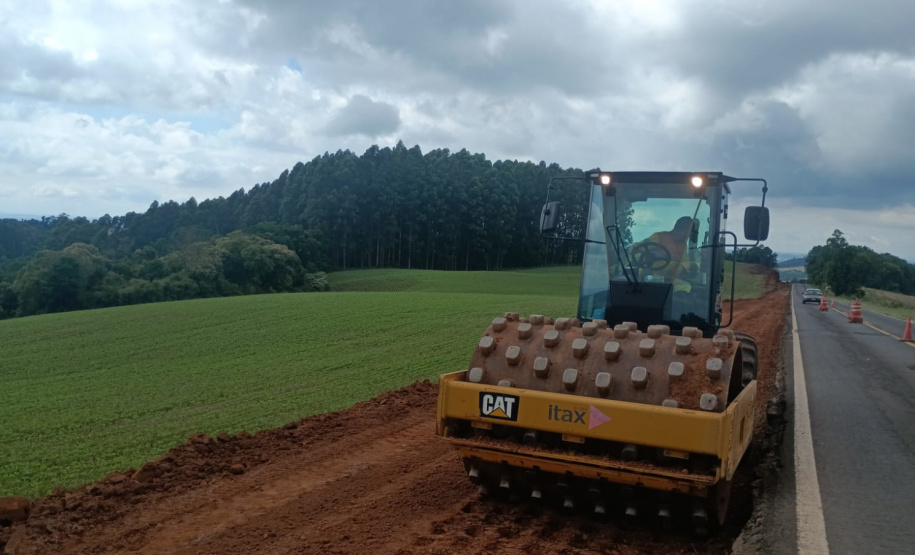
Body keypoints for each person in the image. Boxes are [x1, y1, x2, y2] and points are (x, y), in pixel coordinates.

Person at [632, 216, 697, 291]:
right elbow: (641, 245)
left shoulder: (683, 245)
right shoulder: (659, 237)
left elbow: (685, 261)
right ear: (680, 229)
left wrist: (682, 266)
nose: (688, 236)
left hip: (668, 278)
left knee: (686, 287)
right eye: (688, 232)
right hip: (651, 275)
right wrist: (635, 248)